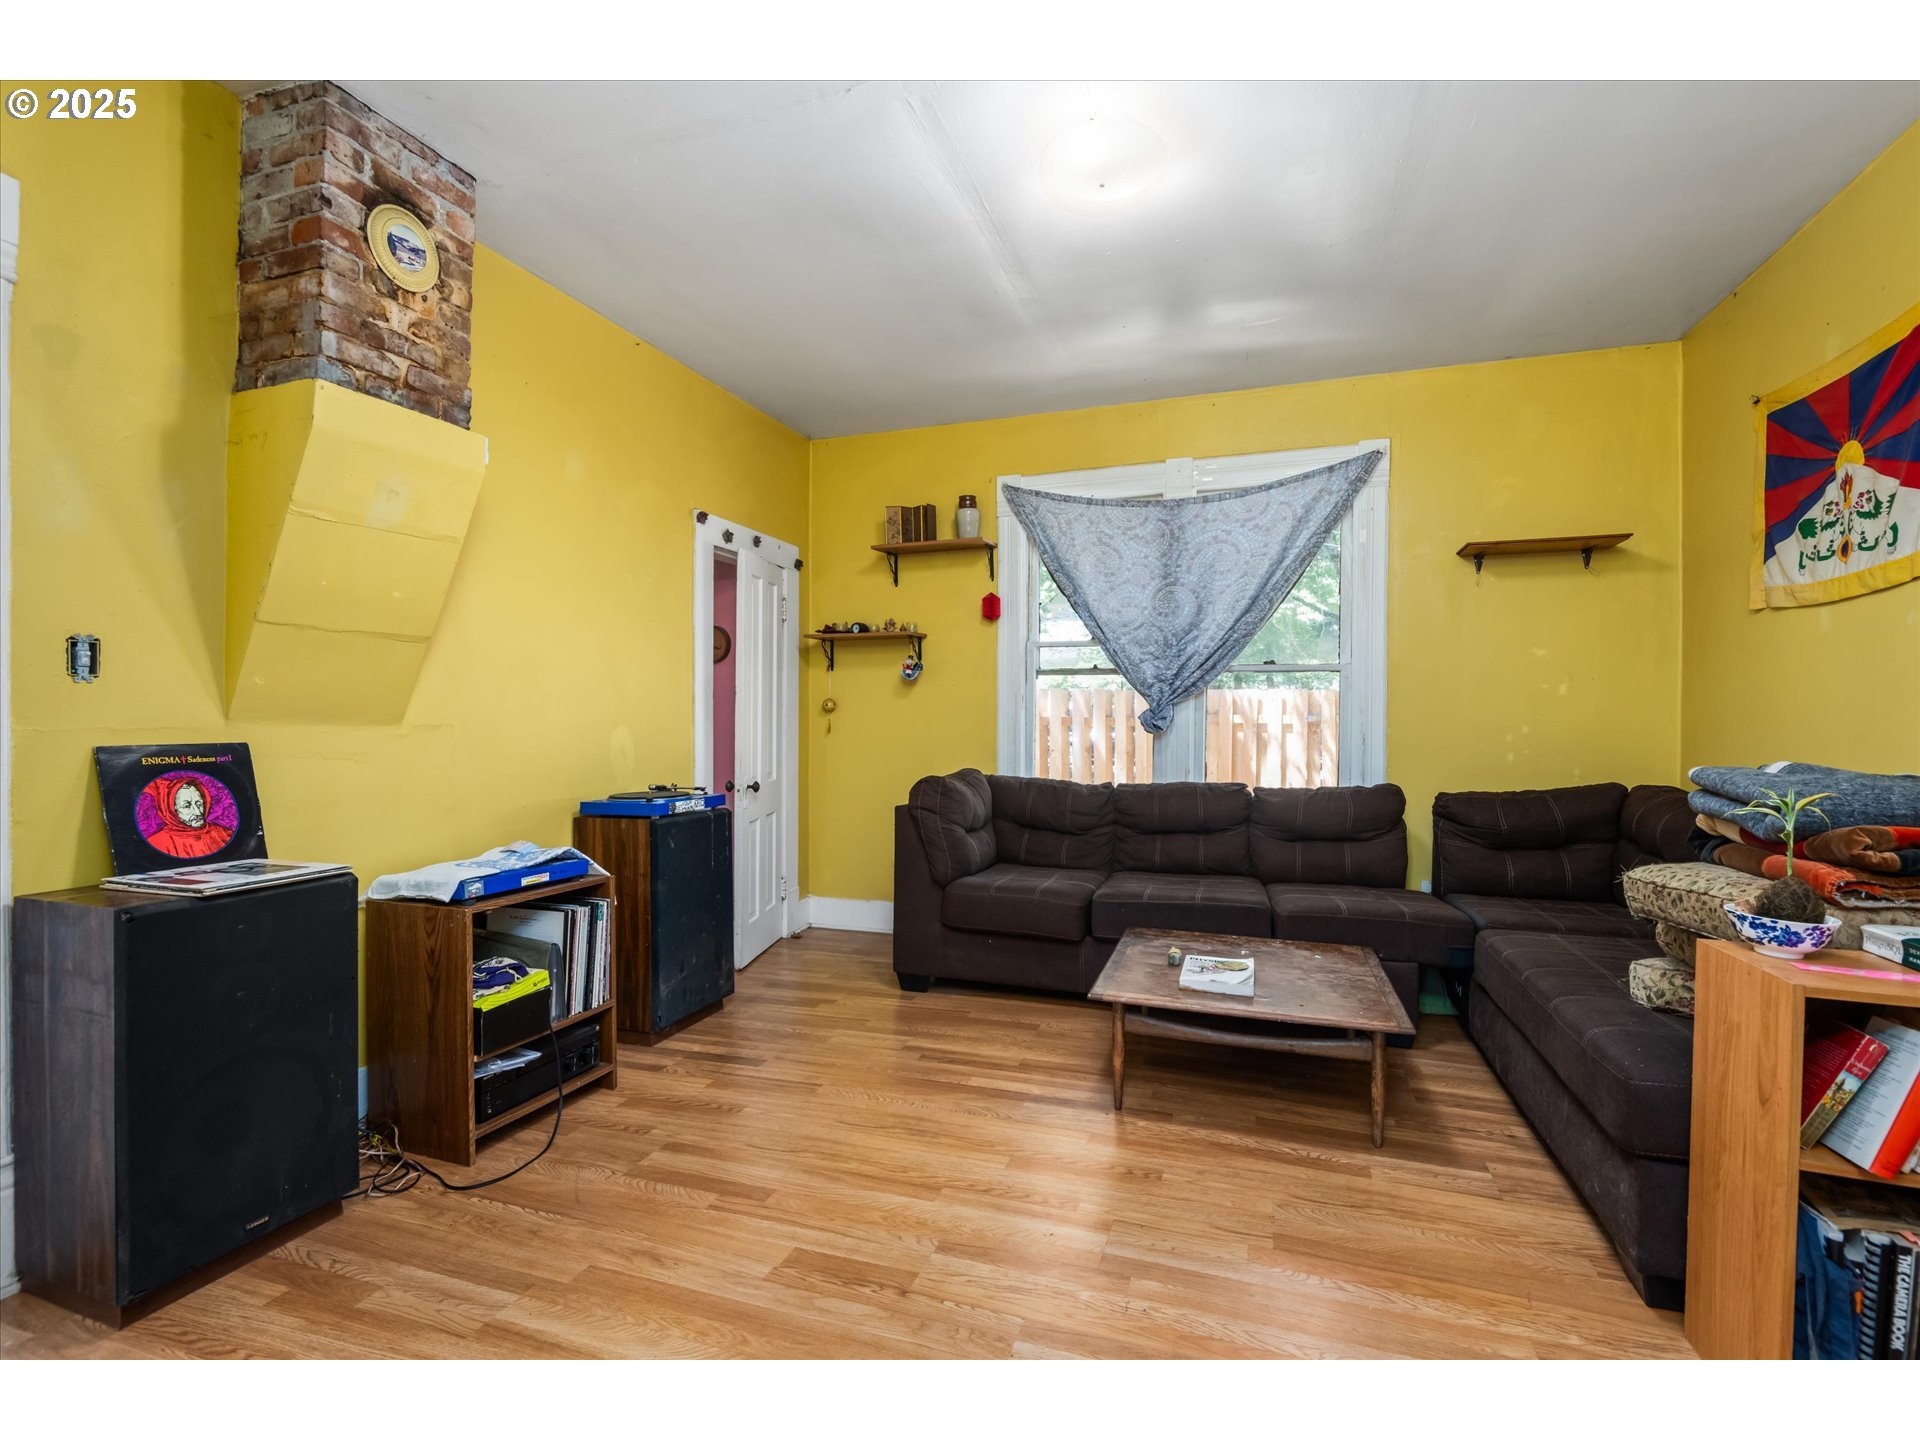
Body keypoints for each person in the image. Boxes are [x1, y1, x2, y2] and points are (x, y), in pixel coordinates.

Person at [143, 774, 234, 859]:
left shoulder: (224, 834)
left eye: (199, 804)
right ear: (171, 810)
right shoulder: (156, 843)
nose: (198, 812)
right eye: (187, 806)